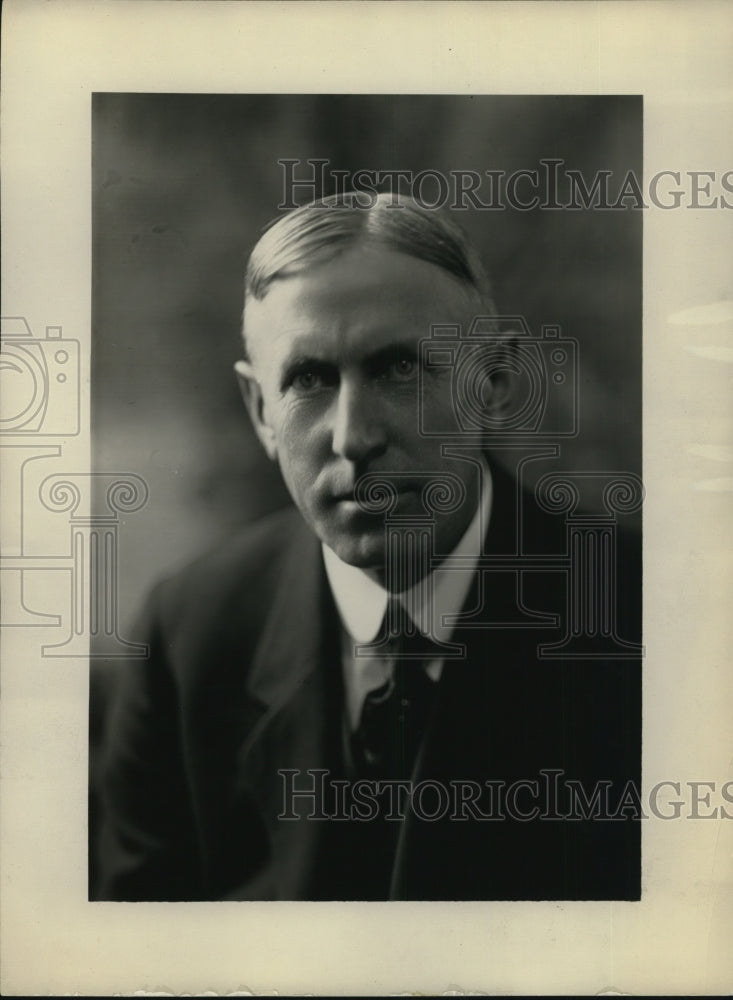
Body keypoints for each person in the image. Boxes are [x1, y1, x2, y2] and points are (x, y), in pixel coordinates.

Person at [93, 193, 641, 901]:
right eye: (309, 380)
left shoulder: (652, 623)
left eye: (398, 369)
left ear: (494, 383)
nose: (353, 437)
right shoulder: (188, 641)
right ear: (260, 411)